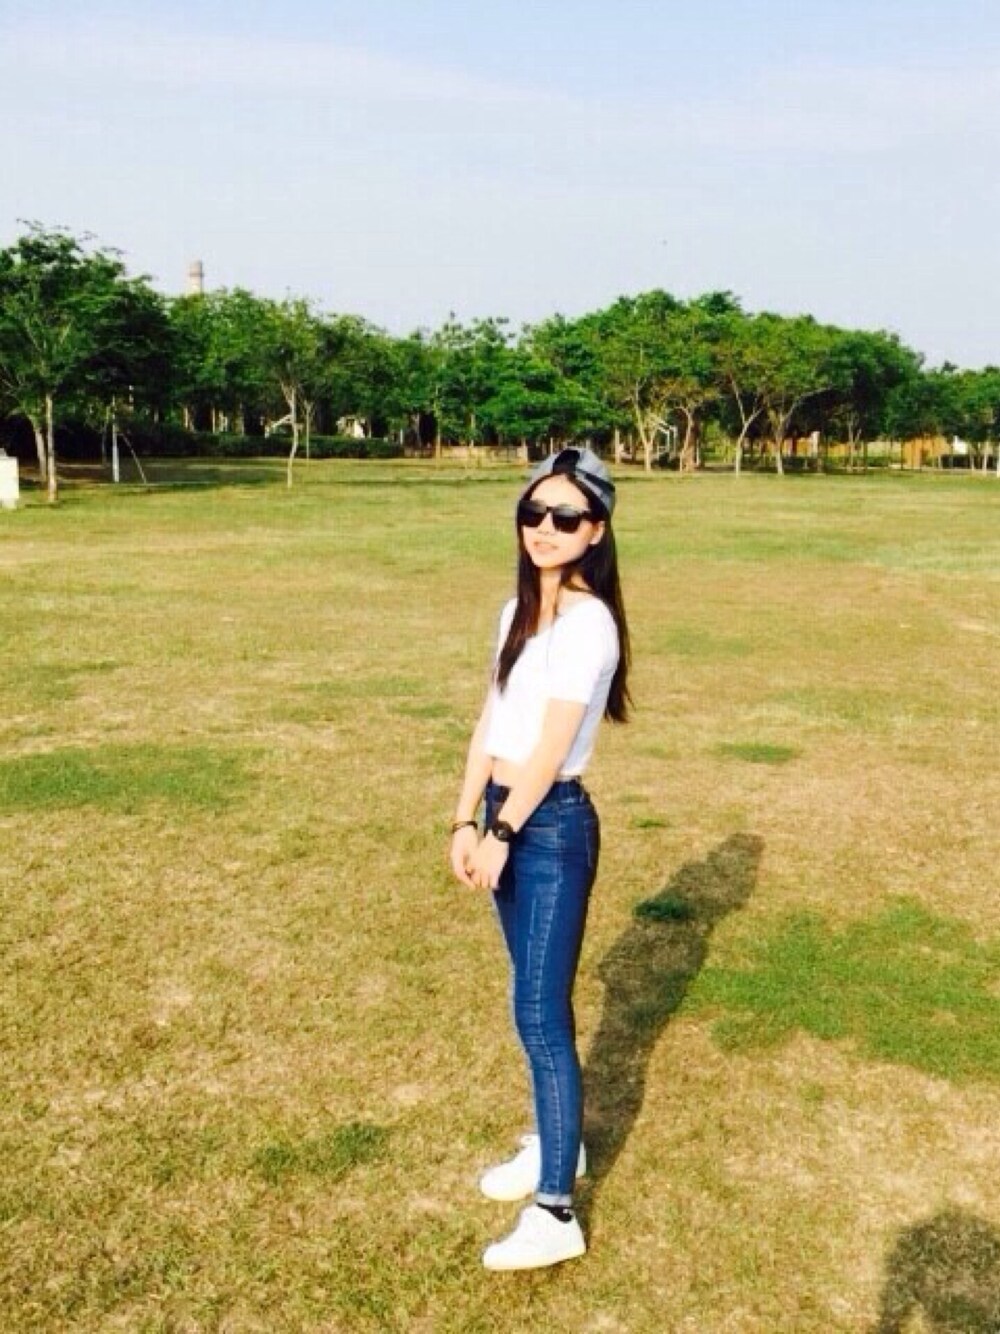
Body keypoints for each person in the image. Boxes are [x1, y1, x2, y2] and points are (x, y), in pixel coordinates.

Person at [449, 446, 631, 1272]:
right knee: (532, 1002)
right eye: (533, 513)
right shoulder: (516, 613)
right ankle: (561, 1144)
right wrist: (465, 818)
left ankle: (557, 1211)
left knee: (539, 1008)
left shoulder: (590, 623)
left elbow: (553, 743)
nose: (545, 528)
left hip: (550, 826)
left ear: (595, 530)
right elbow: (491, 722)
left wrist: (504, 832)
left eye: (565, 516)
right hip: (503, 813)